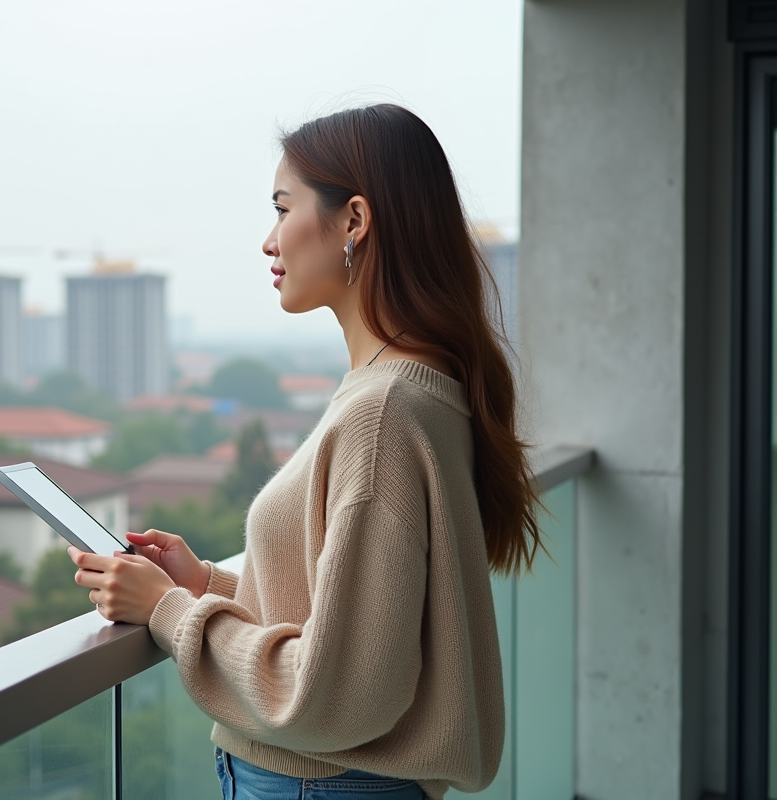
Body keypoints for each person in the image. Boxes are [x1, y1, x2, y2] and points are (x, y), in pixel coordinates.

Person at [68, 103, 541, 800]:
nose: (268, 241)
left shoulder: (382, 412)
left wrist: (170, 611)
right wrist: (205, 585)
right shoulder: (411, 389)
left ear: (353, 221)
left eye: (283, 208)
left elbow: (339, 694)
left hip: (318, 787)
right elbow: (352, 620)